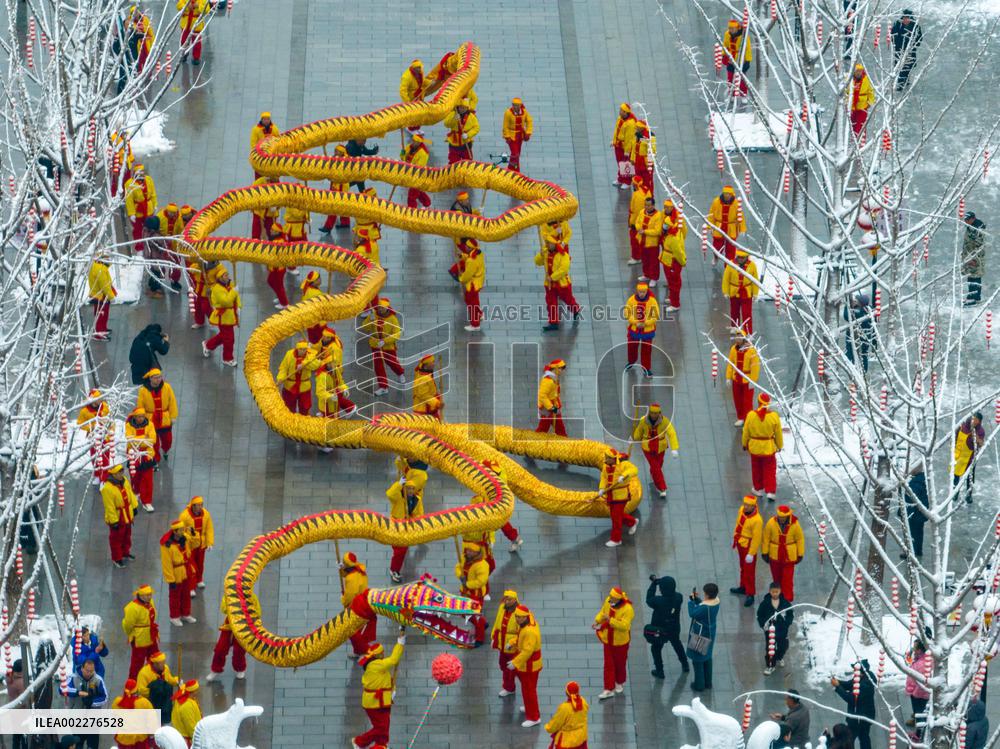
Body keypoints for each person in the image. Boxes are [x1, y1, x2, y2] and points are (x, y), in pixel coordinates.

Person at [354, 634, 406, 748]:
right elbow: (393, 659)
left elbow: (383, 681)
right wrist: (400, 643)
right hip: (375, 703)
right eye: (382, 653)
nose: (383, 655)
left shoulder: (375, 664)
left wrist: (391, 691)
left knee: (385, 726)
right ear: (378, 655)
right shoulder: (376, 665)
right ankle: (359, 742)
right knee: (381, 728)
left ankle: (381, 745)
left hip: (381, 701)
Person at [386, 464, 427, 583]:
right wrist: (398, 484)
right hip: (396, 526)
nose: (410, 491)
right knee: (399, 551)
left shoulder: (417, 500)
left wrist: (413, 522)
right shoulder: (399, 498)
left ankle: (395, 568)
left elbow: (419, 513)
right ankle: (394, 570)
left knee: (401, 551)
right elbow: (390, 494)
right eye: (408, 488)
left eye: (412, 489)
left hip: (407, 527)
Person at [594, 587, 634, 700]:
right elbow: (603, 612)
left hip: (620, 642)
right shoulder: (608, 601)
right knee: (608, 664)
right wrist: (597, 621)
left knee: (620, 663)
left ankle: (619, 682)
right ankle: (608, 688)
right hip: (608, 639)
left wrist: (610, 620)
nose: (609, 599)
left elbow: (625, 626)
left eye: (612, 597)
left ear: (617, 599)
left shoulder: (628, 609)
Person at [207, 589, 256, 681]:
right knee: (220, 648)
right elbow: (223, 608)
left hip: (243, 626)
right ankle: (215, 669)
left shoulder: (250, 596)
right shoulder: (228, 594)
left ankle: (240, 668)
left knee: (239, 651)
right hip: (229, 625)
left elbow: (256, 612)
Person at [631, 403, 679, 498]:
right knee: (656, 467)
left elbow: (672, 433)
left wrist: (674, 448)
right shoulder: (643, 421)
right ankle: (662, 488)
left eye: (655, 413)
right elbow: (639, 432)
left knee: (658, 464)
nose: (653, 415)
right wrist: (634, 437)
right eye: (652, 413)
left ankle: (653, 474)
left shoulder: (665, 421)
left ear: (659, 413)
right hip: (647, 447)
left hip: (660, 447)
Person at [535, 235, 581, 332]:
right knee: (551, 302)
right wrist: (540, 255)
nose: (547, 244)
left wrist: (552, 277)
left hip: (562, 284)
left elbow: (563, 270)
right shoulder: (546, 252)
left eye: (549, 242)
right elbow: (537, 262)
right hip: (550, 284)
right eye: (547, 242)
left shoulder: (563, 255)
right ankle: (553, 322)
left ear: (555, 243)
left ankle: (575, 310)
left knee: (568, 299)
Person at [645, 574, 688, 678]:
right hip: (674, 628)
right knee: (677, 644)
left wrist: (654, 584)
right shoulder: (679, 597)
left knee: (656, 649)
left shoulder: (658, 601)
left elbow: (649, 599)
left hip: (660, 630)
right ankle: (685, 664)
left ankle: (660, 671)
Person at [742, 393, 783, 500]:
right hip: (768, 448)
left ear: (758, 402)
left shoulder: (751, 415)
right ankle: (770, 491)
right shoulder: (774, 417)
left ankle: (758, 488)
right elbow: (778, 433)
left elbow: (746, 431)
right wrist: (779, 445)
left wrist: (744, 443)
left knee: (756, 469)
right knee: (770, 469)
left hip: (755, 447)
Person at [361, 298, 404, 396]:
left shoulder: (393, 319)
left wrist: (385, 341)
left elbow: (397, 334)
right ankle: (383, 387)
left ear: (387, 308)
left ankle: (400, 372)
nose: (380, 309)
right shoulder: (373, 315)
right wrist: (370, 320)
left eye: (382, 308)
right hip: (375, 345)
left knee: (391, 362)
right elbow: (365, 327)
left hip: (388, 346)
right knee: (378, 366)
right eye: (379, 307)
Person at [508, 604, 543, 728]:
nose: (517, 619)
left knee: (529, 690)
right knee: (527, 688)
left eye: (520, 617)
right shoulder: (527, 624)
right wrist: (513, 642)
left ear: (525, 617)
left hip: (529, 665)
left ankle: (534, 717)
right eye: (516, 616)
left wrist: (515, 662)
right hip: (528, 664)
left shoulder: (529, 631)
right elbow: (520, 639)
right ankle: (529, 707)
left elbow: (527, 651)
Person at [762, 505, 805, 601]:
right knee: (776, 579)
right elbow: (766, 538)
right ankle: (777, 597)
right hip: (774, 556)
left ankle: (786, 599)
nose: (781, 519)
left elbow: (800, 539)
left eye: (783, 517)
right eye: (780, 517)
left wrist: (800, 554)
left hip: (789, 557)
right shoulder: (771, 523)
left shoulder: (795, 524)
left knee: (787, 580)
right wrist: (765, 552)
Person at [832, 660, 877, 749]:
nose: (853, 671)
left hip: (860, 718)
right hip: (862, 715)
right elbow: (849, 684)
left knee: (850, 739)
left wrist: (838, 687)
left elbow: (851, 699)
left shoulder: (865, 685)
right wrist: (838, 682)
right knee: (864, 738)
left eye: (855, 670)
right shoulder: (862, 677)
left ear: (861, 672)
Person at [202, 266, 241, 367]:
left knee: (224, 336)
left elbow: (236, 297)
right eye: (225, 275)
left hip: (230, 316)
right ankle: (227, 358)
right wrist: (234, 292)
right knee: (229, 339)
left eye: (227, 274)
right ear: (220, 278)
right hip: (223, 317)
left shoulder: (230, 285)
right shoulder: (217, 289)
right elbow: (225, 301)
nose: (227, 276)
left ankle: (208, 345)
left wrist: (239, 306)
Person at [600, 448, 639, 547]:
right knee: (616, 515)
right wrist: (601, 488)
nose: (605, 459)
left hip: (621, 496)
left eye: (607, 458)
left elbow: (634, 470)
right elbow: (604, 478)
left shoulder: (623, 464)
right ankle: (632, 522)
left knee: (616, 518)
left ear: (613, 458)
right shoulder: (606, 465)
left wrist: (624, 475)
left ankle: (616, 539)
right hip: (611, 495)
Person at [160, 519, 197, 626]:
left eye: (183, 529)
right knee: (175, 597)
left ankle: (186, 613)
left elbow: (195, 544)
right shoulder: (167, 545)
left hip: (186, 570)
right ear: (175, 531)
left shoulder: (184, 538)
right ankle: (174, 616)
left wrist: (194, 535)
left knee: (186, 594)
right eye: (180, 530)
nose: (183, 531)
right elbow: (166, 563)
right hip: (176, 573)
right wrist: (170, 580)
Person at [64, 659, 107, 749]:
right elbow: (63, 689)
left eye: (91, 671)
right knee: (78, 744)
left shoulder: (98, 680)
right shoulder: (73, 678)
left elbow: (105, 697)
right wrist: (78, 692)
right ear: (82, 668)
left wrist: (92, 702)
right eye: (87, 671)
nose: (89, 673)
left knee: (92, 745)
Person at [137, 368, 178, 461]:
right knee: (154, 442)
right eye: (156, 378)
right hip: (151, 420)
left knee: (167, 440)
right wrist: (141, 419)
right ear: (150, 378)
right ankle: (155, 459)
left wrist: (173, 416)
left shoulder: (167, 387)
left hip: (165, 419)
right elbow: (140, 406)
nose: (158, 380)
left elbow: (172, 402)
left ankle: (165, 449)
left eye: (159, 377)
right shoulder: (143, 390)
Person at [102, 464, 138, 568]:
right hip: (118, 516)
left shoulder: (124, 480)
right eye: (119, 472)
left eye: (121, 472)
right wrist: (114, 521)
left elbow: (130, 493)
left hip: (127, 514)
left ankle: (125, 552)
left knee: (127, 535)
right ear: (113, 474)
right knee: (116, 539)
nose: (121, 474)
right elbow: (109, 506)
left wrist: (134, 506)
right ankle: (117, 558)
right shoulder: (107, 488)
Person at [687, 583, 720, 692]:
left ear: (707, 595)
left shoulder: (705, 607)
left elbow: (693, 613)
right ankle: (708, 682)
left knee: (697, 660)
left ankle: (699, 685)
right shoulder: (716, 602)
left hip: (701, 635)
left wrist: (691, 602)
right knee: (707, 658)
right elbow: (703, 606)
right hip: (710, 633)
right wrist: (697, 600)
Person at [731, 495, 763, 607]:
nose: (745, 507)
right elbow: (738, 524)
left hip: (749, 545)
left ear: (753, 506)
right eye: (745, 504)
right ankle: (743, 586)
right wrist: (735, 536)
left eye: (748, 505)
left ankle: (750, 593)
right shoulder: (742, 510)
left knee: (749, 570)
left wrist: (751, 553)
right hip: (741, 542)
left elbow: (756, 538)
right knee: (743, 567)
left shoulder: (757, 520)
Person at [455, 542, 489, 646]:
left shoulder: (483, 565)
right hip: (465, 592)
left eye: (471, 551)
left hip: (476, 594)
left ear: (477, 552)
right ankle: (483, 624)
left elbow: (481, 581)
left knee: (475, 615)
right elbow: (458, 567)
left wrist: (467, 584)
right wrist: (460, 576)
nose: (468, 552)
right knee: (463, 612)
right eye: (467, 550)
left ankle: (480, 638)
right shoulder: (464, 558)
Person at [122, 585, 159, 679]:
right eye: (147, 595)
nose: (149, 597)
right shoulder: (132, 608)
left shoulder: (150, 602)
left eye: (150, 594)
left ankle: (153, 677)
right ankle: (133, 682)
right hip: (139, 639)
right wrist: (132, 634)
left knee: (155, 658)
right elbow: (128, 625)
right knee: (137, 663)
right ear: (140, 595)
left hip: (151, 635)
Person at [78, 389, 114, 484]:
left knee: (105, 458)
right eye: (98, 398)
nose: (100, 400)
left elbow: (110, 419)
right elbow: (80, 424)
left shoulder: (105, 406)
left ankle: (104, 479)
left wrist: (111, 430)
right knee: (94, 457)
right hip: (93, 437)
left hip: (105, 435)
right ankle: (97, 475)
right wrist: (91, 427)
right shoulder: (84, 411)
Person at [756, 581, 793, 674]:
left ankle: (779, 657)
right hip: (770, 629)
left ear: (780, 591)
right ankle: (770, 666)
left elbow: (790, 614)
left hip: (782, 629)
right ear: (770, 591)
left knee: (783, 646)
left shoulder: (785, 603)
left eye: (777, 591)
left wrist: (787, 623)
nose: (775, 594)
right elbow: (760, 615)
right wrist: (763, 625)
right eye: (773, 592)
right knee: (770, 648)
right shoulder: (765, 603)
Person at [125, 407, 157, 511]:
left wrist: (137, 440)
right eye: (139, 416)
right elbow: (130, 442)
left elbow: (153, 440)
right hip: (133, 455)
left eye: (142, 416)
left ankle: (147, 501)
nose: (141, 418)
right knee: (135, 477)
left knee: (148, 480)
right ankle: (136, 492)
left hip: (147, 455)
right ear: (134, 417)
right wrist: (144, 438)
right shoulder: (128, 426)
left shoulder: (150, 424)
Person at [624, 281, 660, 376]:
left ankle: (646, 368)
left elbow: (655, 315)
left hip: (647, 330)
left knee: (646, 350)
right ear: (637, 291)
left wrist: (646, 323)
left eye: (643, 292)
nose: (642, 294)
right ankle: (631, 362)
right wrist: (635, 322)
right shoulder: (631, 300)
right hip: (634, 329)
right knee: (631, 347)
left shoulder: (652, 301)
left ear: (646, 291)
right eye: (640, 292)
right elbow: (627, 313)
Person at [277, 341, 321, 415]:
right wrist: (280, 378)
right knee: (289, 408)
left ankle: (303, 421)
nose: (303, 351)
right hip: (290, 386)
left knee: (305, 408)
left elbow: (316, 365)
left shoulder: (310, 355)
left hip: (304, 387)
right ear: (297, 349)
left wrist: (304, 364)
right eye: (301, 349)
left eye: (304, 349)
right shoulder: (289, 354)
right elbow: (284, 368)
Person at [179, 495, 213, 589]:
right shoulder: (184, 516)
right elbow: (180, 530)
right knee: (191, 566)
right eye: (199, 505)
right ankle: (191, 586)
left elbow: (209, 529)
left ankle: (199, 579)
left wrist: (209, 542)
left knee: (200, 564)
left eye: (202, 505)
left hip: (201, 544)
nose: (201, 507)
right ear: (193, 506)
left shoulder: (206, 514)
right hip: (190, 545)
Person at [727, 332, 760, 426]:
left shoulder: (751, 351)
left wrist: (753, 380)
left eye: (739, 336)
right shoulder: (733, 349)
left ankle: (748, 419)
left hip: (747, 380)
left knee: (747, 401)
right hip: (736, 379)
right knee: (737, 400)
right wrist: (728, 377)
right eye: (736, 336)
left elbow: (755, 366)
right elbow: (730, 363)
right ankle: (740, 417)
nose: (737, 338)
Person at [722, 250, 759, 334]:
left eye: (742, 258)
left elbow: (755, 280)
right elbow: (726, 279)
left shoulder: (752, 265)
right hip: (734, 292)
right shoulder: (731, 264)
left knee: (747, 314)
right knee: (734, 311)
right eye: (739, 257)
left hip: (746, 293)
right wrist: (726, 291)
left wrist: (755, 293)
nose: (740, 259)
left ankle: (748, 331)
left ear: (746, 257)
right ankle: (735, 327)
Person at [659, 199, 687, 311]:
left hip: (673, 261)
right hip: (668, 259)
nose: (664, 226)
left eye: (666, 225)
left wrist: (682, 262)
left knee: (674, 282)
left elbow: (678, 252)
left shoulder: (673, 237)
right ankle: (672, 298)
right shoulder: (670, 234)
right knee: (671, 281)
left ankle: (675, 304)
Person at [319, 144, 353, 232]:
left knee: (333, 206)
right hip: (336, 185)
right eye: (335, 151)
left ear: (342, 153)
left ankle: (328, 226)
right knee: (343, 205)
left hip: (340, 186)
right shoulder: (336, 159)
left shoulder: (345, 162)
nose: (335, 152)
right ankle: (345, 222)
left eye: (337, 151)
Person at [111, 679, 154, 749]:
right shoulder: (144, 703)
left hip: (123, 739)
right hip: (140, 739)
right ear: (136, 691)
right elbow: (152, 722)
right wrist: (151, 737)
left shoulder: (117, 702)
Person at [545, 681, 589, 749]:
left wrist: (548, 727)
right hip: (581, 736)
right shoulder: (583, 701)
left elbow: (556, 723)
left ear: (566, 693)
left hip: (566, 741)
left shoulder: (564, 707)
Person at [492, 590, 520, 697]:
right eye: (506, 599)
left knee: (510, 669)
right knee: (503, 666)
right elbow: (497, 623)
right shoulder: (502, 608)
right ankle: (508, 686)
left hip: (512, 647)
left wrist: (513, 642)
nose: (507, 601)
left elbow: (521, 632)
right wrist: (494, 637)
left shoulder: (519, 613)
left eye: (509, 600)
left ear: (515, 600)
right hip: (502, 643)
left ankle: (509, 688)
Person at [953, 412, 985, 504]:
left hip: (971, 457)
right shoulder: (962, 426)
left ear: (979, 422)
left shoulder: (980, 431)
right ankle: (955, 493)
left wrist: (977, 438)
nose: (974, 421)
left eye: (977, 420)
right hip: (960, 455)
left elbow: (981, 444)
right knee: (956, 475)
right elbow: (955, 436)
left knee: (970, 477)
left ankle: (969, 495)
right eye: (973, 419)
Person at [708, 186, 745, 263]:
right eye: (725, 193)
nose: (727, 195)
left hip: (731, 228)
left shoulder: (736, 203)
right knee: (717, 245)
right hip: (719, 226)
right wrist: (710, 226)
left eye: (729, 194)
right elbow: (711, 214)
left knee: (731, 247)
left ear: (732, 194)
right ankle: (716, 257)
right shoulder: (716, 201)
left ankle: (729, 264)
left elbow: (740, 216)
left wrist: (742, 229)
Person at [125, 164, 157, 252]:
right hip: (137, 211)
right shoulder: (129, 184)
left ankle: (151, 244)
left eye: (142, 173)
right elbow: (129, 200)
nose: (141, 175)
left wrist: (154, 205)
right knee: (138, 230)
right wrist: (131, 213)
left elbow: (153, 194)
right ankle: (139, 247)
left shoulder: (149, 180)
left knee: (150, 228)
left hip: (148, 208)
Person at [634, 196, 664, 284]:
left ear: (653, 205)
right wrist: (639, 228)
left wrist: (645, 231)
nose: (647, 207)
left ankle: (654, 278)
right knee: (645, 259)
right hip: (642, 241)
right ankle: (646, 274)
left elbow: (657, 231)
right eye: (646, 205)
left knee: (653, 261)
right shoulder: (641, 212)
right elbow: (637, 222)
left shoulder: (658, 215)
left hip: (652, 243)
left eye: (649, 205)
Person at [891, 10, 922, 91]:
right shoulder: (897, 25)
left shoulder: (915, 26)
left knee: (908, 67)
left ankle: (904, 81)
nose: (906, 20)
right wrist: (898, 45)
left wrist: (913, 46)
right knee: (900, 67)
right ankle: (901, 84)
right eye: (904, 18)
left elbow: (919, 38)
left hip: (910, 52)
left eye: (908, 18)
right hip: (899, 50)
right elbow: (893, 36)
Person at [458, 238, 485, 332]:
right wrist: (462, 256)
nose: (465, 247)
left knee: (471, 303)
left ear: (470, 248)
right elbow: (469, 256)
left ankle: (475, 324)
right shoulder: (479, 253)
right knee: (475, 301)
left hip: (472, 285)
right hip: (478, 282)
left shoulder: (471, 261)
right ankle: (479, 314)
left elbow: (467, 275)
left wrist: (461, 279)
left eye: (467, 246)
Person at [87, 254, 116, 340]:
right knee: (102, 315)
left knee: (100, 314)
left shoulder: (96, 266)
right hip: (101, 296)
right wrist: (111, 297)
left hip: (98, 295)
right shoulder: (101, 269)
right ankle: (99, 334)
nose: (110, 260)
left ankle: (102, 329)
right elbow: (105, 286)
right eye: (108, 258)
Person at [905, 641, 931, 738]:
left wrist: (913, 692)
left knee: (920, 714)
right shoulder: (921, 658)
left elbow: (919, 682)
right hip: (918, 692)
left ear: (920, 650)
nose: (913, 649)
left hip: (919, 694)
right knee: (919, 713)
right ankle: (919, 732)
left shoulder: (921, 664)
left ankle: (919, 735)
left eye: (915, 647)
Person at [844, 294, 875, 373]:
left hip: (855, 336)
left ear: (860, 303)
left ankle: (851, 369)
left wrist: (847, 306)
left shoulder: (858, 312)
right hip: (867, 337)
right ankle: (864, 371)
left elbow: (847, 316)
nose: (855, 301)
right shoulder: (870, 310)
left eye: (857, 301)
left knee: (850, 352)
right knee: (864, 354)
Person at [536, 359, 568, 436]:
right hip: (548, 408)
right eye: (560, 368)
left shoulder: (553, 379)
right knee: (543, 428)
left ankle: (563, 439)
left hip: (554, 406)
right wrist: (551, 407)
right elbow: (542, 395)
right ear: (555, 368)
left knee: (559, 428)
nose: (561, 371)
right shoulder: (547, 380)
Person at [501, 98, 533, 172]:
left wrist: (528, 132)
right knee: (515, 154)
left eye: (517, 105)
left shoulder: (524, 112)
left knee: (517, 154)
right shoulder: (508, 113)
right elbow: (505, 126)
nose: (515, 107)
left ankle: (511, 170)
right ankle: (515, 170)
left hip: (520, 136)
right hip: (511, 136)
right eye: (514, 105)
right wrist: (507, 136)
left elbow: (529, 121)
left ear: (520, 105)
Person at [962, 211, 986, 306]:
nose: (966, 221)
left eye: (967, 219)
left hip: (975, 258)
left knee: (974, 278)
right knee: (971, 277)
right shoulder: (971, 227)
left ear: (973, 219)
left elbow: (979, 245)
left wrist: (973, 259)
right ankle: (973, 297)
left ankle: (974, 298)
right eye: (965, 220)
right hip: (970, 257)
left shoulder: (977, 229)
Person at [444, 98, 479, 163]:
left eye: (464, 107)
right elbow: (446, 124)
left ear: (467, 108)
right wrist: (454, 119)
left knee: (467, 161)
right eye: (460, 107)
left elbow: (476, 128)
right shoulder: (453, 113)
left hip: (466, 143)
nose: (462, 109)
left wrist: (468, 135)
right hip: (454, 142)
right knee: (453, 161)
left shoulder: (471, 116)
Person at [722, 18, 752, 97]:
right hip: (730, 59)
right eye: (729, 28)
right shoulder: (727, 34)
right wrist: (723, 55)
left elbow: (748, 49)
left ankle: (743, 95)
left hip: (741, 59)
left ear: (737, 28)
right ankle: (732, 94)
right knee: (730, 78)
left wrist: (747, 61)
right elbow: (725, 45)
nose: (731, 30)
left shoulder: (743, 36)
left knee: (742, 79)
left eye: (733, 28)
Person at [904, 463, 928, 558]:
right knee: (918, 532)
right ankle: (918, 550)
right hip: (920, 512)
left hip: (914, 512)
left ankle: (912, 552)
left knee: (912, 532)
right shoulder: (922, 479)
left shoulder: (916, 482)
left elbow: (910, 497)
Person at [611, 103, 637, 188]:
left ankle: (627, 182)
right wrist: (614, 141)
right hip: (618, 145)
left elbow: (629, 139)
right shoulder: (620, 118)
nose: (620, 112)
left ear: (625, 112)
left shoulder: (630, 124)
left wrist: (627, 151)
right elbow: (617, 131)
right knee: (620, 163)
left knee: (626, 164)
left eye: (621, 111)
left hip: (624, 148)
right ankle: (621, 179)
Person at [402, 133, 431, 208]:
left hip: (418, 176)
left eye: (415, 141)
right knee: (418, 192)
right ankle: (427, 204)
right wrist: (402, 153)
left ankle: (412, 210)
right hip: (409, 174)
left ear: (419, 142)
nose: (413, 142)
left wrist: (408, 166)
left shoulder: (423, 153)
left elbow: (419, 167)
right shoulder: (409, 147)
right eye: (413, 140)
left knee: (411, 196)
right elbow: (403, 158)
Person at [177, 0, 210, 64]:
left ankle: (196, 58)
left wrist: (198, 6)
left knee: (196, 42)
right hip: (185, 24)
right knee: (184, 41)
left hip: (197, 24)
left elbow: (207, 10)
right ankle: (184, 54)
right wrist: (186, 6)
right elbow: (178, 6)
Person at [412, 354, 443, 419]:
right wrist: (436, 403)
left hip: (428, 407)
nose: (434, 364)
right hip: (424, 409)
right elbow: (424, 395)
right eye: (432, 362)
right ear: (426, 365)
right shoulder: (424, 378)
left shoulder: (423, 372)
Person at [627, 177, 650, 265]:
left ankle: (636, 257)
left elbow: (635, 211)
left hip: (636, 222)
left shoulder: (637, 195)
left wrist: (632, 223)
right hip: (645, 220)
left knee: (635, 241)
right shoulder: (646, 191)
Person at [171, 680, 201, 745]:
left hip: (183, 735)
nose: (197, 692)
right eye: (196, 690)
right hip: (188, 739)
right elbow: (190, 726)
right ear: (192, 691)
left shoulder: (182, 697)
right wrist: (198, 739)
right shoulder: (187, 705)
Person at [848, 64, 874, 137]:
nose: (858, 73)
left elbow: (871, 91)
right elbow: (846, 92)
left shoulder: (866, 80)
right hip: (852, 107)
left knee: (860, 126)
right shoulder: (849, 80)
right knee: (852, 126)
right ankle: (853, 139)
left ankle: (860, 140)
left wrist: (870, 102)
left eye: (860, 71)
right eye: (857, 71)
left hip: (862, 106)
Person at [630, 120, 653, 193]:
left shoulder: (650, 136)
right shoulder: (636, 134)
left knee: (647, 181)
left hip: (645, 162)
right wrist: (632, 159)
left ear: (642, 128)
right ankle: (638, 194)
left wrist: (649, 164)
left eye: (638, 127)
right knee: (637, 179)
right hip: (637, 161)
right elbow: (634, 148)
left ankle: (648, 195)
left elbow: (652, 150)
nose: (636, 128)